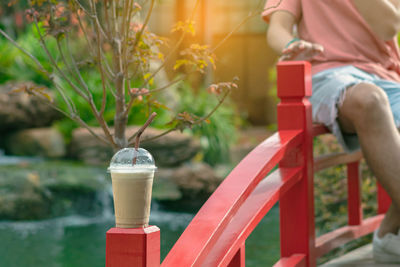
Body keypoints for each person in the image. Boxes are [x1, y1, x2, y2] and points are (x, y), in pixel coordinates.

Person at [263, 0, 400, 263]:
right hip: (329, 73)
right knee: (370, 101)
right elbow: (277, 28)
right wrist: (291, 45)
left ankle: (389, 233)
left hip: (384, 75)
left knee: (377, 96)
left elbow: (387, 27)